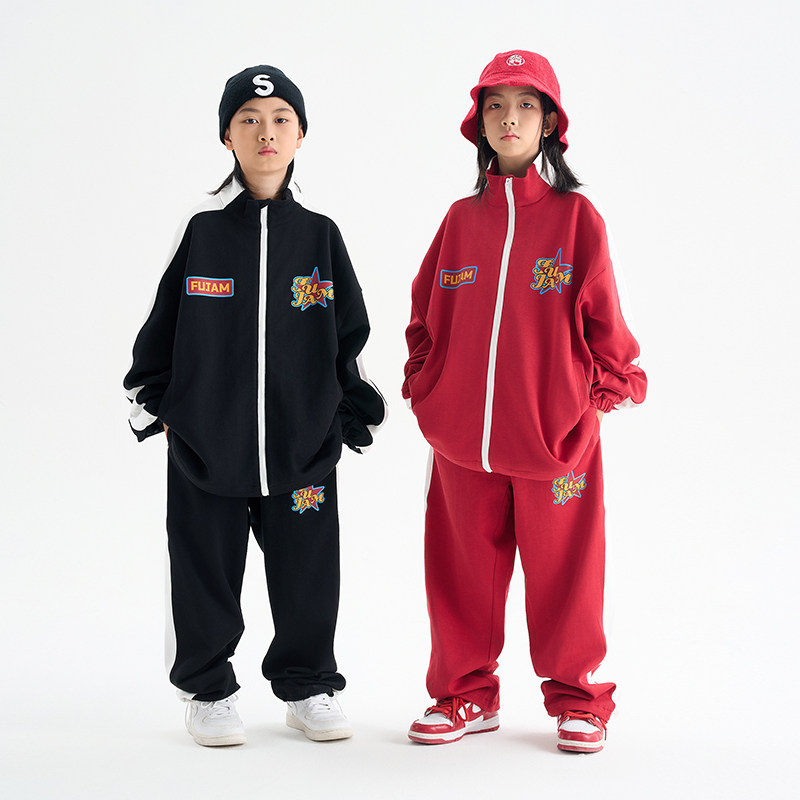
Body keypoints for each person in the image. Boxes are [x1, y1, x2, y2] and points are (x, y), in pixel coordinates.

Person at [124, 65, 386, 747]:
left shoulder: (320, 235)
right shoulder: (203, 231)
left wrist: (345, 419)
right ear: (227, 137)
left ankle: (309, 685)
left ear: (300, 135)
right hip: (207, 449)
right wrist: (162, 409)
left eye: (279, 120)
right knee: (203, 571)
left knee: (308, 574)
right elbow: (160, 330)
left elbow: (350, 338)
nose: (265, 132)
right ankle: (208, 691)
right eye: (248, 120)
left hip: (303, 450)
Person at [402, 50, 646, 753]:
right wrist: (430, 387)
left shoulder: (577, 220)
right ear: (478, 122)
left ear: (550, 124)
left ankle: (580, 699)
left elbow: (605, 324)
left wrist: (593, 395)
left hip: (555, 440)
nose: (509, 117)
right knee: (459, 574)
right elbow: (424, 319)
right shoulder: (458, 221)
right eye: (496, 105)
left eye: (526, 105)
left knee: (568, 573)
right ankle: (464, 696)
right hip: (462, 445)